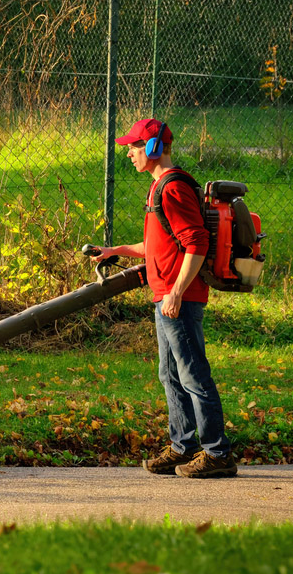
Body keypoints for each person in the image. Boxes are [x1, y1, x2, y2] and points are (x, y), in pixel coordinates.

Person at [91, 118, 236, 479]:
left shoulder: (172, 189)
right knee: (170, 375)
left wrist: (176, 292)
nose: (129, 154)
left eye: (134, 147)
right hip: (167, 296)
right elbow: (160, 243)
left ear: (153, 148)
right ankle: (182, 447)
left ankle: (217, 452)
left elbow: (196, 243)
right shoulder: (159, 189)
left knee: (193, 375)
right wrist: (117, 249)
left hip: (178, 299)